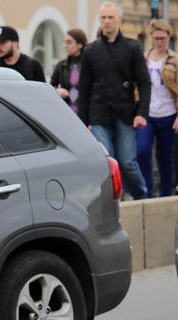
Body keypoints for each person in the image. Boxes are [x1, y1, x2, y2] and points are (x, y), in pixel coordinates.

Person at [77, 1, 151, 200]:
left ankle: (140, 197)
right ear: (99, 20)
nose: (107, 21)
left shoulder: (132, 47)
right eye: (103, 18)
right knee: (106, 162)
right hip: (99, 113)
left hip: (125, 112)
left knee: (127, 162)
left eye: (110, 17)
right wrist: (83, 122)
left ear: (119, 19)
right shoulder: (90, 51)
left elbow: (144, 82)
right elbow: (83, 89)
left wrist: (142, 113)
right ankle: (112, 202)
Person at [135, 19, 178, 198]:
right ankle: (147, 193)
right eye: (156, 38)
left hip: (168, 114)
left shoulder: (176, 60)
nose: (159, 42)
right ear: (151, 37)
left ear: (169, 38)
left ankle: (165, 195)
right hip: (147, 113)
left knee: (165, 157)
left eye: (163, 39)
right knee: (142, 151)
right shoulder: (143, 59)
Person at [50, 28, 87, 116]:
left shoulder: (89, 65)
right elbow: (50, 86)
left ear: (80, 45)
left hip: (85, 115)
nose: (65, 46)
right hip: (66, 114)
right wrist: (57, 90)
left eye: (69, 42)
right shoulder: (61, 65)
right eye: (64, 42)